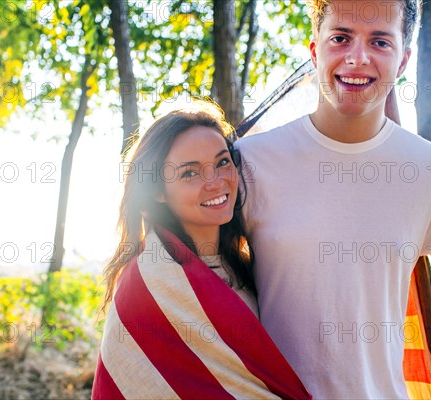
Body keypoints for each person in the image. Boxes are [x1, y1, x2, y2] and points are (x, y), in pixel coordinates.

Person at [235, 1, 431, 399]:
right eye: (340, 38)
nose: (358, 57)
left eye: (381, 41)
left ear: (403, 62)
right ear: (315, 51)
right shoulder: (251, 161)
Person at [91, 101, 310, 399]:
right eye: (189, 174)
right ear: (157, 190)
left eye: (222, 162)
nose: (215, 182)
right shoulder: (148, 285)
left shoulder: (248, 263)